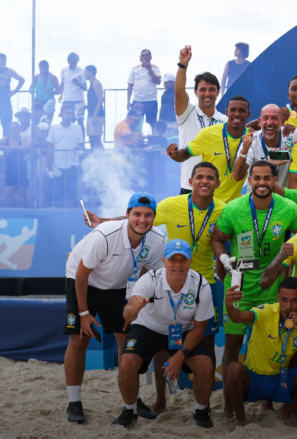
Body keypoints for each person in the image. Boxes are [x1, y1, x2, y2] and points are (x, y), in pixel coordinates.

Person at [83, 162, 225, 413]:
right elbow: (141, 217)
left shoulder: (223, 210)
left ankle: (205, 404)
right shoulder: (173, 204)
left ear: (217, 183)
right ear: (190, 182)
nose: (204, 181)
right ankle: (161, 400)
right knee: (162, 342)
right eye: (199, 177)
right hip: (171, 276)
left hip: (205, 281)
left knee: (206, 342)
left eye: (210, 177)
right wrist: (104, 220)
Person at [211, 161, 297, 417]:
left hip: (273, 286)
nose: (262, 183)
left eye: (267, 178)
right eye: (257, 178)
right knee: (232, 343)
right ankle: (229, 407)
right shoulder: (234, 208)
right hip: (239, 285)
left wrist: (281, 263)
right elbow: (217, 238)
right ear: (250, 181)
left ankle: (273, 401)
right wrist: (224, 261)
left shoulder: (287, 207)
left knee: (281, 343)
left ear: (275, 181)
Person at [63, 192, 165, 424]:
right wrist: (84, 313)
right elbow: (81, 273)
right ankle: (74, 402)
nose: (142, 220)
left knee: (128, 341)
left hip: (119, 287)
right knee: (79, 339)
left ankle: (132, 400)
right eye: (137, 214)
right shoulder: (105, 235)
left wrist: (135, 300)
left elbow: (149, 274)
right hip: (84, 282)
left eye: (148, 215)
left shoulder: (158, 239)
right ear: (127, 215)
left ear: (154, 217)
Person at [113, 239, 215, 428]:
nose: (177, 264)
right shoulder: (150, 279)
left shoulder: (201, 285)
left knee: (206, 365)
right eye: (172, 259)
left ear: (190, 261)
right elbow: (128, 312)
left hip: (182, 331)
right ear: (164, 261)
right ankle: (130, 410)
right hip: (148, 328)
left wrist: (180, 356)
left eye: (182, 259)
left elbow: (199, 328)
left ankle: (200, 411)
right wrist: (133, 309)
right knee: (126, 362)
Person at [224, 277, 297, 429]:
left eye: (294, 300)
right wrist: (230, 305)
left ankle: (286, 411)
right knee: (233, 369)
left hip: (280, 380)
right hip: (254, 379)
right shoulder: (265, 311)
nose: (288, 306)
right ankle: (241, 419)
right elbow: (238, 317)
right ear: (277, 298)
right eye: (284, 300)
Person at [167, 96, 249, 203]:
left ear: (248, 114)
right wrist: (174, 154)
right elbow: (184, 154)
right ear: (227, 112)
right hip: (208, 204)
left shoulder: (252, 139)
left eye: (242, 111)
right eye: (233, 110)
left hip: (232, 207)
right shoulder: (209, 133)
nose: (237, 114)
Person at [174, 45, 228, 194]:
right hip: (189, 186)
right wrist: (182, 64)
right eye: (203, 89)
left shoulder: (225, 121)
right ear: (195, 92)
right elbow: (179, 92)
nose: (207, 93)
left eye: (211, 89)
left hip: (217, 188)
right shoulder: (187, 113)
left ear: (218, 92)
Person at [235, 103, 297, 188]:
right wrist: (244, 151)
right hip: (257, 196)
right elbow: (237, 177)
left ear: (282, 121)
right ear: (259, 122)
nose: (269, 122)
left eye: (274, 118)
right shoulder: (251, 141)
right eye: (265, 118)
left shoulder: (291, 134)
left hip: (284, 198)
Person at [46, 103, 84, 207]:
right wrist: (49, 163)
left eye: (71, 113)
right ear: (61, 114)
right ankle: (60, 212)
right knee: (59, 191)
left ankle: (70, 213)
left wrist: (79, 147)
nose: (69, 115)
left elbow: (81, 145)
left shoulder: (77, 128)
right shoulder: (54, 128)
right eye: (67, 113)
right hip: (58, 164)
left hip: (72, 164)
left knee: (72, 191)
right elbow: (50, 146)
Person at [127, 49, 162, 128]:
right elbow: (130, 85)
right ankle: (136, 140)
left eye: (146, 55)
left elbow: (158, 82)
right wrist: (128, 101)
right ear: (140, 57)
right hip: (137, 101)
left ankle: (154, 139)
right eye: (142, 55)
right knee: (135, 123)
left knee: (153, 123)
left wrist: (149, 69)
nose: (144, 57)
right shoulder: (134, 69)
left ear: (150, 57)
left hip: (151, 100)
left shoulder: (155, 68)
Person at [0, 122, 29, 207]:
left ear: (19, 129)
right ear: (9, 130)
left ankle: (22, 213)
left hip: (22, 169)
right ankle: (11, 212)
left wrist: (14, 147)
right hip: (10, 170)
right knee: (8, 192)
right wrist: (6, 148)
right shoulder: (5, 139)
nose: (14, 130)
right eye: (12, 128)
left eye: (16, 128)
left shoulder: (24, 138)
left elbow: (27, 146)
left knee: (22, 192)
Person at [0, 53, 26, 137]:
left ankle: (6, 144)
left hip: (5, 102)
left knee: (6, 126)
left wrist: (15, 91)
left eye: (3, 61)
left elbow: (22, 79)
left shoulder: (9, 71)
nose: (2, 63)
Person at [58, 52, 87, 127]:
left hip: (79, 100)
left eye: (75, 63)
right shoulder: (63, 70)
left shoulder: (82, 71)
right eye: (72, 63)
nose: (73, 65)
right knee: (68, 122)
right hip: (67, 99)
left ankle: (81, 139)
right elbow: (62, 83)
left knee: (80, 122)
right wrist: (61, 95)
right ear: (68, 62)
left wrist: (78, 84)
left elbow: (85, 87)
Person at [82, 65, 105, 149]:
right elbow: (93, 102)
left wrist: (95, 115)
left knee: (96, 139)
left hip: (97, 115)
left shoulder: (96, 83)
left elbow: (100, 99)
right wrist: (84, 107)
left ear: (91, 72)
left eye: (86, 72)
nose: (84, 74)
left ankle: (103, 158)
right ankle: (94, 157)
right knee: (91, 138)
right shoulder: (91, 84)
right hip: (91, 114)